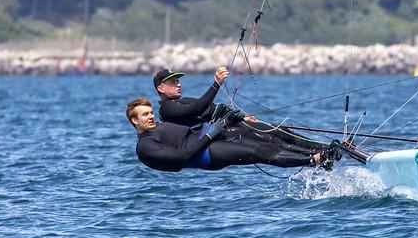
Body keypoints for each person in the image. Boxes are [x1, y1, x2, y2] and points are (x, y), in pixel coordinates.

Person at [153, 66, 334, 161]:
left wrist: (242, 117)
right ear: (161, 88)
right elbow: (198, 109)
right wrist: (216, 84)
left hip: (233, 124)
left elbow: (212, 108)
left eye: (178, 81)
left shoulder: (181, 100)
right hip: (224, 135)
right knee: (272, 140)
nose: (178, 84)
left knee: (277, 131)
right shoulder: (166, 109)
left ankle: (322, 149)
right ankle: (315, 156)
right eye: (173, 82)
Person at [127, 97, 342, 172]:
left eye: (151, 112)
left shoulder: (158, 128)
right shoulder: (145, 146)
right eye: (145, 115)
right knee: (260, 152)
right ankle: (313, 160)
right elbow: (181, 157)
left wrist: (220, 120)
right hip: (209, 154)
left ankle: (321, 153)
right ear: (134, 120)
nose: (151, 117)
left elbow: (193, 119)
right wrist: (213, 133)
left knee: (271, 139)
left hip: (214, 137)